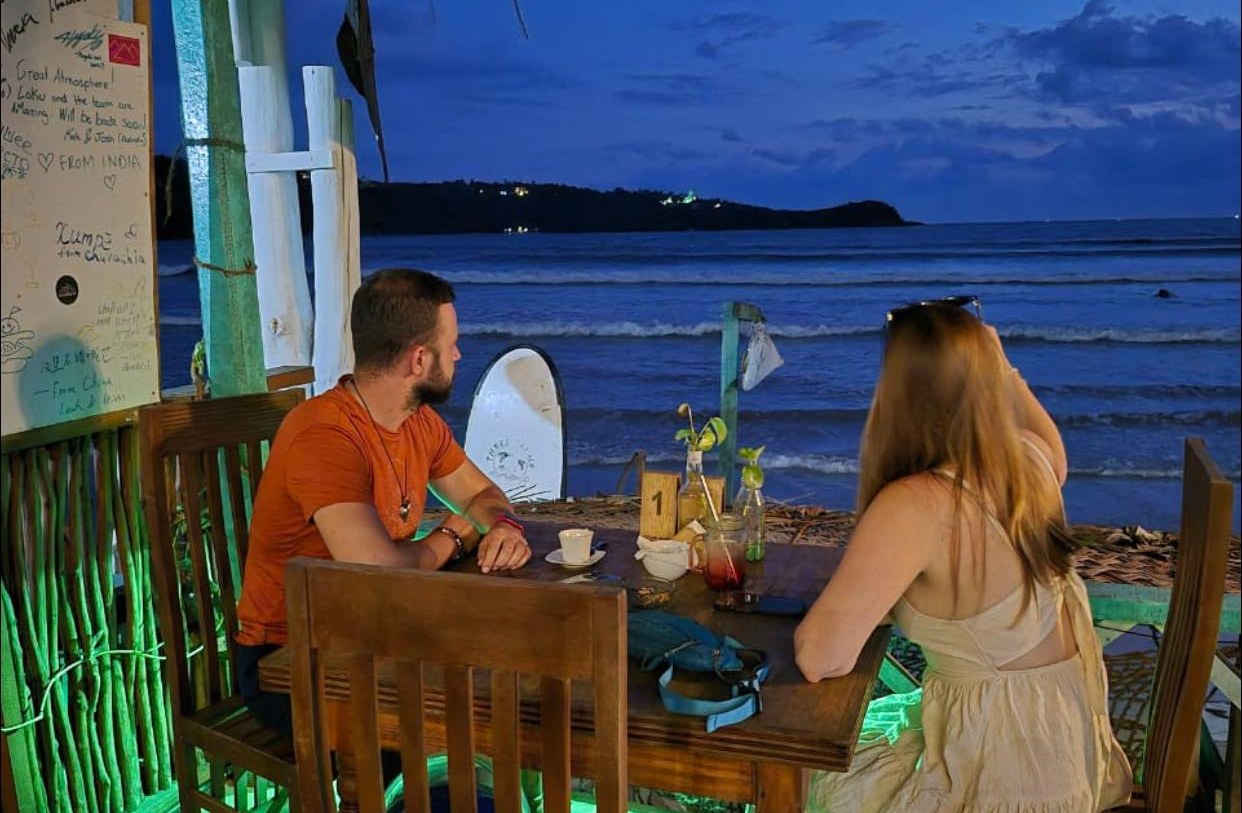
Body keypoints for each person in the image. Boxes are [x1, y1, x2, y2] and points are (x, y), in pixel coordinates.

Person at [794, 302, 1131, 812]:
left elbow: (822, 656)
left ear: (897, 392)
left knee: (803, 777)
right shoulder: (1029, 465)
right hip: (1061, 748)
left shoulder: (919, 502)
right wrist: (999, 363)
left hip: (996, 773)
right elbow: (1055, 450)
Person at [234, 268, 533, 730]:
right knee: (480, 712)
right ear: (418, 360)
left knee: (517, 674)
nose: (458, 353)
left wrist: (503, 525)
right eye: (450, 342)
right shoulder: (324, 435)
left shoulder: (417, 422)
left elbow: (483, 495)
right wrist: (455, 534)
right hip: (290, 661)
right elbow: (378, 574)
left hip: (373, 631)